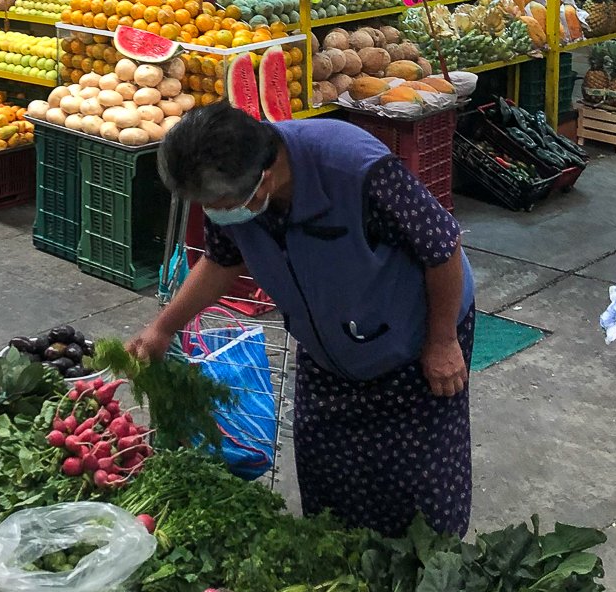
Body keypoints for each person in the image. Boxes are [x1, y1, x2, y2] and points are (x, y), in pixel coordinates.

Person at [129, 105, 475, 540]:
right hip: (328, 342)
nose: (218, 215)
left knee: (415, 484)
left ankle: (427, 573)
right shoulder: (238, 193)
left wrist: (442, 342)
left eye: (222, 206)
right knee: (328, 469)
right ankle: (344, 559)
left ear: (266, 178)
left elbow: (442, 247)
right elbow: (223, 261)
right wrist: (164, 327)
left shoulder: (355, 167)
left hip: (417, 333)